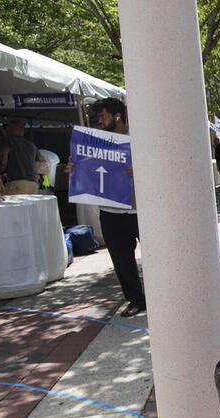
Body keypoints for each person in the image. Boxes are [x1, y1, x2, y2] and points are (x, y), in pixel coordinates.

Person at [67, 99, 146, 317]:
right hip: (111, 212)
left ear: (117, 116)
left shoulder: (139, 140)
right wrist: (75, 167)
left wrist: (141, 168)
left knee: (156, 256)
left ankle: (162, 294)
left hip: (141, 210)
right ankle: (137, 300)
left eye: (103, 116)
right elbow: (89, 171)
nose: (99, 121)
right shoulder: (94, 144)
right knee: (121, 260)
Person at [0, 119, 42, 195]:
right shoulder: (32, 145)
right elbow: (41, 164)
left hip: (15, 183)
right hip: (33, 184)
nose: (6, 129)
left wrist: (0, 172)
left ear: (11, 128)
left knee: (12, 206)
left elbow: (3, 158)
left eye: (7, 127)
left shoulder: (6, 141)